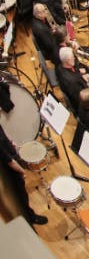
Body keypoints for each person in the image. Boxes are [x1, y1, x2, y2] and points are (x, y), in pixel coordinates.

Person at [0, 82, 47, 225]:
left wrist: (9, 142)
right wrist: (22, 170)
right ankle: (28, 217)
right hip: (6, 167)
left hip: (6, 154)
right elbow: (7, 159)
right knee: (19, 193)